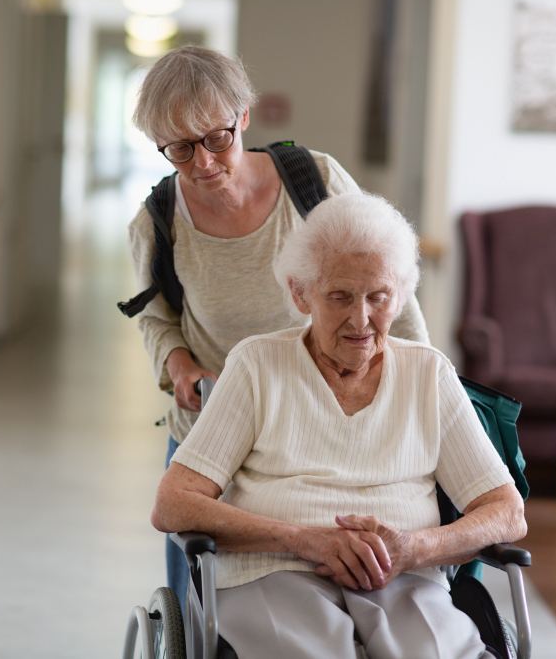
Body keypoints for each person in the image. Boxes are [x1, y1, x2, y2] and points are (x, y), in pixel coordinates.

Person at [150, 192, 527, 658]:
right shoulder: (256, 365)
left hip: (405, 579)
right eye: (340, 296)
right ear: (300, 293)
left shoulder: (429, 374)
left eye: (379, 297)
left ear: (401, 294)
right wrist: (303, 540)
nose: (361, 318)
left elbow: (506, 511)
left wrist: (414, 548)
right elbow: (172, 503)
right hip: (270, 573)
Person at [127, 44, 430, 610]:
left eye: (217, 138)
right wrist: (179, 365)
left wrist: (424, 383)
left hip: (319, 420)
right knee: (199, 605)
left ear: (243, 116)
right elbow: (154, 315)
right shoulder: (157, 221)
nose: (205, 164)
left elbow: (386, 279)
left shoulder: (312, 182)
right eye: (180, 149)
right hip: (216, 425)